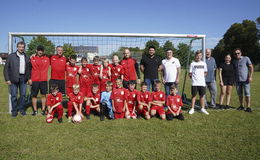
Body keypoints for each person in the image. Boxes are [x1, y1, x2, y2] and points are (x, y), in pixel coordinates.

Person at [4, 41, 30, 117]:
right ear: (17, 47)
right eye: (20, 47)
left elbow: (28, 69)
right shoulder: (11, 56)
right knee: (14, 95)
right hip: (13, 78)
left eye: (23, 47)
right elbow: (6, 69)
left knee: (23, 95)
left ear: (24, 48)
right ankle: (14, 111)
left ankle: (22, 110)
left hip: (23, 79)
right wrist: (7, 79)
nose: (21, 48)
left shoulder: (26, 56)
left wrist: (28, 78)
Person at [28, 45, 50, 116]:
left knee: (43, 95)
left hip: (43, 80)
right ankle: (35, 110)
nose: (40, 52)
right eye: (39, 50)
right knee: (34, 95)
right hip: (35, 80)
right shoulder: (32, 58)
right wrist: (29, 78)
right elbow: (28, 69)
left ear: (43, 51)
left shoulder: (47, 58)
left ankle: (43, 110)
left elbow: (56, 56)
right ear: (36, 51)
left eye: (41, 50)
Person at [188, 51, 209, 115]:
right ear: (195, 56)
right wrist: (194, 78)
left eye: (200, 55)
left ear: (201, 56)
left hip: (202, 83)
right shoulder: (192, 64)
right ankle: (192, 108)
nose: (198, 57)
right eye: (197, 55)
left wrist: (201, 77)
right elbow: (190, 73)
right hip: (194, 83)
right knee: (193, 96)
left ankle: (202, 108)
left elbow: (206, 72)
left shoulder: (204, 63)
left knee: (202, 96)